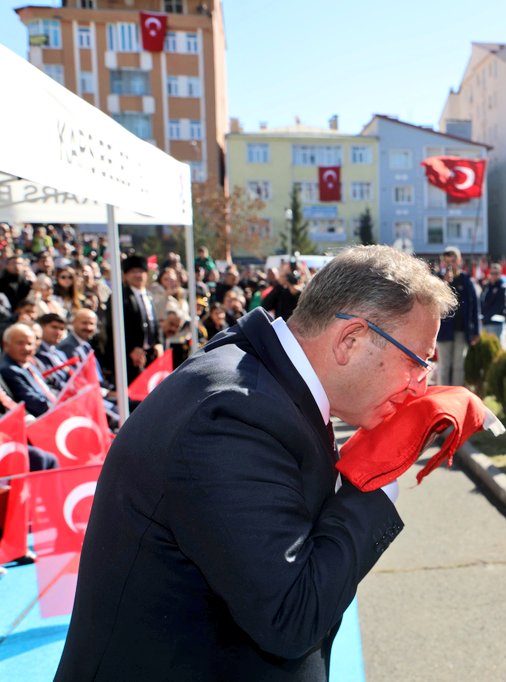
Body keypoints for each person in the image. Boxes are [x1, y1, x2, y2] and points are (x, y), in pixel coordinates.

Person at [57, 245, 457, 680]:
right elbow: (291, 615)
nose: (422, 385)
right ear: (351, 340)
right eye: (418, 361)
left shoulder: (262, 378)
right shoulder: (232, 416)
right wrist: (376, 476)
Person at [102, 254, 162, 384]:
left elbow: (154, 322)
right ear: (125, 275)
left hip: (149, 355)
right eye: (133, 272)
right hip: (128, 357)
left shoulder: (148, 296)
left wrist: (158, 342)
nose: (138, 275)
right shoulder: (118, 296)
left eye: (141, 271)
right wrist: (131, 349)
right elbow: (113, 327)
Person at [435, 246, 480, 386]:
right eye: (447, 261)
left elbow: (474, 307)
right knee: (444, 366)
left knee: (458, 367)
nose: (451, 264)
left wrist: (476, 331)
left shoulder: (466, 281)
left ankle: (455, 398)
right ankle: (443, 398)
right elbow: (433, 302)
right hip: (443, 331)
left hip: (462, 331)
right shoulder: (437, 279)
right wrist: (444, 284)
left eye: (453, 261)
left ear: (459, 261)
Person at [0, 322, 56, 417]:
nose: (26, 348)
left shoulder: (28, 363)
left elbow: (47, 389)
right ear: (6, 345)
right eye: (20, 343)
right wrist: (59, 406)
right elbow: (34, 404)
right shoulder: (9, 369)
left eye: (30, 344)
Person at [34, 312, 71, 390]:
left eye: (62, 329)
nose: (58, 332)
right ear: (41, 327)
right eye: (54, 327)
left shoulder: (61, 354)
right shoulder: (34, 352)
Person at [480, 263, 506, 341]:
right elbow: (482, 301)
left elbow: (498, 306)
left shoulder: (502, 287)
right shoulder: (487, 286)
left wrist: (485, 318)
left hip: (495, 323)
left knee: (495, 346)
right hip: (485, 322)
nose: (494, 275)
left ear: (500, 274)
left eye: (496, 273)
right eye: (492, 273)